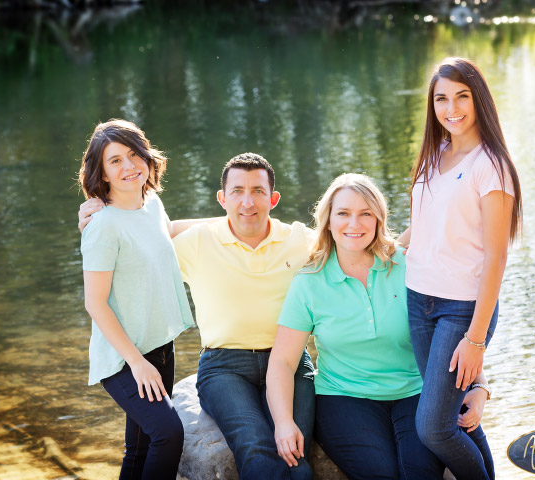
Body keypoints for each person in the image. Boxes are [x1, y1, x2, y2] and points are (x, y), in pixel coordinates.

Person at [79, 153, 315, 480]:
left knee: (296, 457)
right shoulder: (196, 244)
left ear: (273, 199)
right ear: (222, 198)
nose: (248, 201)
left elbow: (355, 240)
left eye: (258, 192)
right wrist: (97, 224)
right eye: (237, 192)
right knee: (256, 446)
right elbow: (135, 251)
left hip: (289, 360)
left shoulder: (299, 240)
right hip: (224, 367)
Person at [267, 173, 490, 480]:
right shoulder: (309, 283)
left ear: (379, 219)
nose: (354, 224)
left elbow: (452, 329)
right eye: (343, 213)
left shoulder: (409, 267)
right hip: (344, 396)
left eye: (365, 214)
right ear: (328, 221)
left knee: (420, 474)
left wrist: (479, 386)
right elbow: (282, 360)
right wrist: (283, 422)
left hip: (416, 392)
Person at [401, 57, 522, 480]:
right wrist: (379, 247)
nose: (451, 108)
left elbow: (496, 257)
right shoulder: (435, 155)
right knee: (454, 416)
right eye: (441, 99)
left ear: (478, 100)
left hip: (460, 311)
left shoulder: (491, 167)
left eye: (461, 97)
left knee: (432, 427)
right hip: (418, 301)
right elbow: (422, 227)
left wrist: (475, 339)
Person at [77, 119, 196, 479]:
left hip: (159, 344)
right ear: (102, 173)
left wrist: (229, 223)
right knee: (168, 433)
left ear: (147, 157)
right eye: (115, 161)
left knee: (141, 446)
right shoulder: (101, 225)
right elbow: (94, 303)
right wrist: (137, 363)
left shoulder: (152, 204)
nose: (129, 166)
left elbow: (166, 233)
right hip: (123, 357)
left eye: (133, 155)